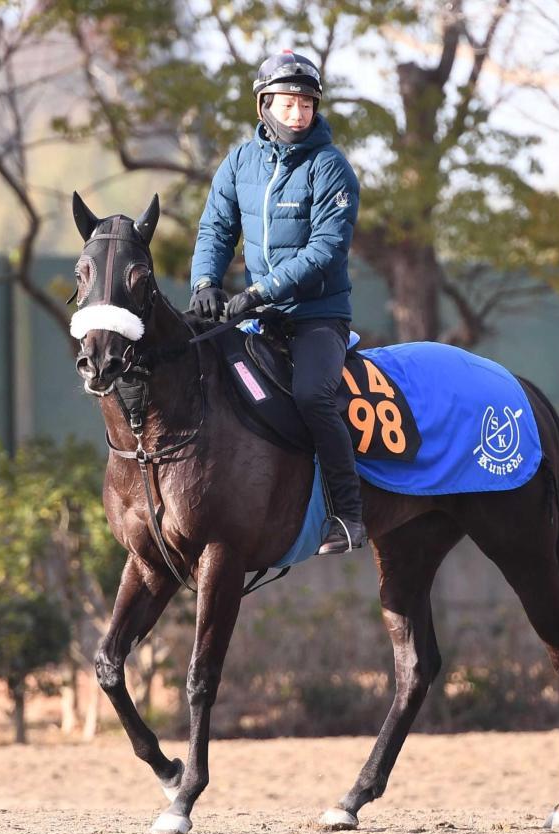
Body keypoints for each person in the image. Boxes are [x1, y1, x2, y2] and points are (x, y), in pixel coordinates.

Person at [189, 50, 365, 554]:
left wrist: (259, 292)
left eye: (307, 104)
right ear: (265, 105)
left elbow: (325, 250)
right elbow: (216, 228)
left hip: (317, 318)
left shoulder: (331, 168)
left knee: (312, 395)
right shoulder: (240, 161)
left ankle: (348, 515)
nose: (298, 113)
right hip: (255, 316)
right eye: (288, 103)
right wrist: (204, 283)